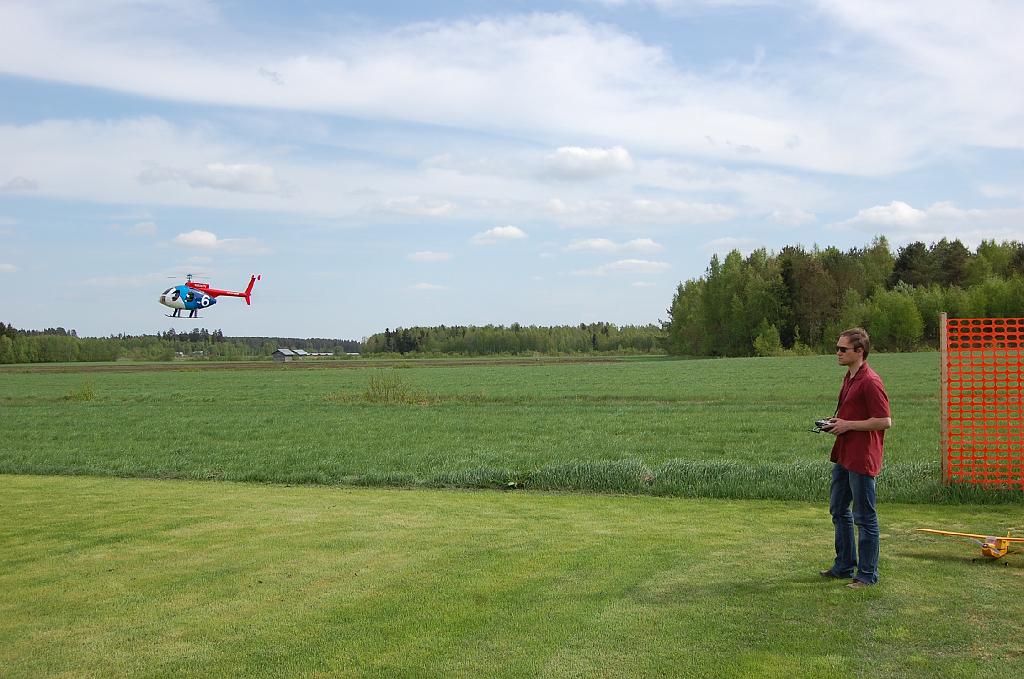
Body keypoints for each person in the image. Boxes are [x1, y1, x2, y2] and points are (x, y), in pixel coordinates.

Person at [820, 327, 891, 589]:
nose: (837, 353)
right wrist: (836, 423)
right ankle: (844, 566)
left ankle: (866, 575)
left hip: (862, 457)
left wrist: (848, 425)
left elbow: (885, 421)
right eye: (837, 348)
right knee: (838, 509)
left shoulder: (871, 381)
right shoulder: (850, 378)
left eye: (842, 349)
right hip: (844, 453)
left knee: (864, 516)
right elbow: (852, 415)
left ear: (859, 351)